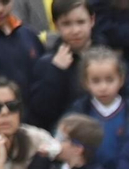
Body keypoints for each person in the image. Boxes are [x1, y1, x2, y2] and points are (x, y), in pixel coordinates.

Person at [29, 0, 97, 130]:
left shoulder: (106, 56)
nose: (75, 30)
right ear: (56, 25)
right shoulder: (47, 64)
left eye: (81, 22)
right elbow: (40, 111)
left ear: (92, 20)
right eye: (66, 24)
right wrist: (55, 71)